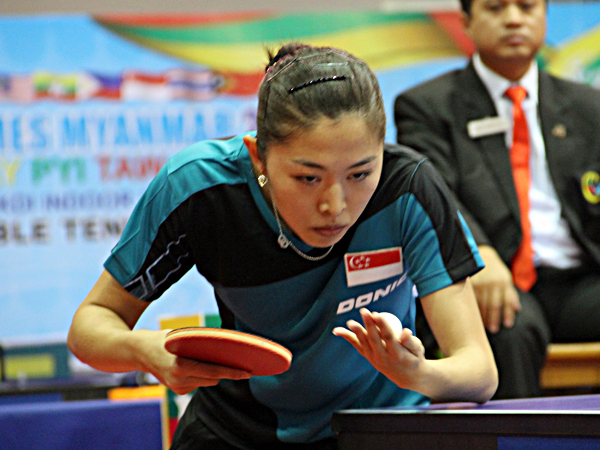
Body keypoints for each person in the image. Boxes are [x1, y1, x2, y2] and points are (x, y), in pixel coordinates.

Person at [68, 43, 497, 450]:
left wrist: (416, 372)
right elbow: (90, 326)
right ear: (258, 156)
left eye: (360, 174)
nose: (336, 205)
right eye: (308, 178)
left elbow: (479, 373)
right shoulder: (200, 188)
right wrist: (145, 351)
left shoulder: (409, 190)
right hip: (237, 433)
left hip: (374, 428)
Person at [394, 0, 600, 399]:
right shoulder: (427, 106)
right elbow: (435, 195)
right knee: (505, 328)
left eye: (527, 7)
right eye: (495, 8)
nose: (513, 19)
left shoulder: (588, 107)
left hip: (578, 281)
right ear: (466, 22)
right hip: (496, 280)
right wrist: (479, 253)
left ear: (544, 17)